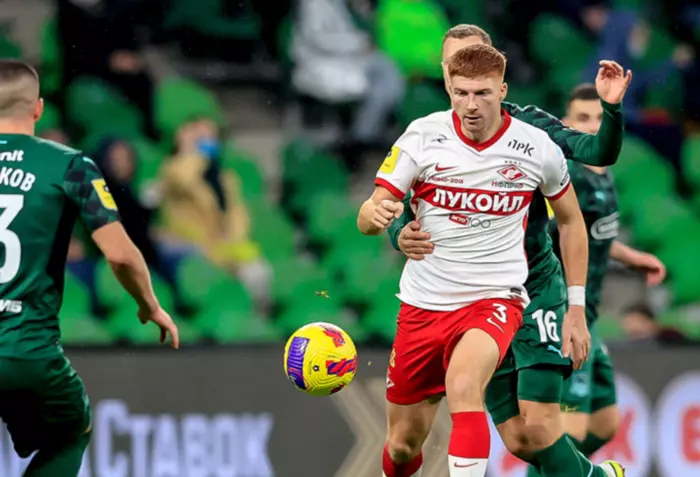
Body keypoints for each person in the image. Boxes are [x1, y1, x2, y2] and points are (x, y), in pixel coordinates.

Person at [386, 24, 631, 477]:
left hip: (532, 287)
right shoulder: (427, 134)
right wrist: (399, 232)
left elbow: (596, 152)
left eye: (475, 61)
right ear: (446, 74)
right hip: (468, 297)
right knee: (519, 440)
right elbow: (392, 202)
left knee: (538, 427)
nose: (465, 74)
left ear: (496, 72)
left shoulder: (531, 130)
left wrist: (611, 109)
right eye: (454, 66)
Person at [0, 59, 178, 477]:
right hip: (26, 350)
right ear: (39, 108)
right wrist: (149, 304)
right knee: (70, 430)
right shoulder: (70, 166)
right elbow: (119, 255)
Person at [524, 83, 666, 472]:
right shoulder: (566, 178)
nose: (591, 127)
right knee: (563, 431)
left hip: (589, 316)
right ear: (566, 125)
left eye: (599, 118)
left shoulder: (602, 175)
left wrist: (632, 257)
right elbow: (551, 237)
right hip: (563, 314)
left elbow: (589, 235)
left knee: (604, 423)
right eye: (582, 119)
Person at [159, 117, 271, 312]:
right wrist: (191, 152)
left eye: (211, 136)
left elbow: (238, 214)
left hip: (223, 247)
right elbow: (183, 180)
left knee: (258, 273)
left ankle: (254, 317)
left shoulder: (226, 177)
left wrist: (231, 239)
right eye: (201, 137)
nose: (208, 141)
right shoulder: (173, 169)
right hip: (191, 246)